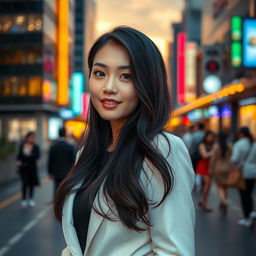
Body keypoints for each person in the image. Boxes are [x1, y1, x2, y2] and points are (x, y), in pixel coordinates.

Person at [54, 26, 195, 256]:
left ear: (147, 85)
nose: (109, 88)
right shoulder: (86, 155)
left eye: (126, 76)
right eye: (100, 73)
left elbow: (175, 252)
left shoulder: (162, 151)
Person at [231, 127, 256, 227]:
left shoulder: (239, 144)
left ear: (241, 134)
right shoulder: (253, 144)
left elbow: (235, 158)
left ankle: (247, 218)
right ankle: (251, 212)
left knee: (244, 195)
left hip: (243, 172)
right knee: (249, 193)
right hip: (253, 171)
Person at [48, 127, 76, 196]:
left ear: (58, 134)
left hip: (56, 172)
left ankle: (57, 204)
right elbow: (73, 161)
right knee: (66, 190)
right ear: (65, 134)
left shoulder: (53, 147)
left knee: (57, 189)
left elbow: (50, 160)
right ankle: (64, 205)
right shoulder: (70, 147)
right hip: (67, 172)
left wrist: (50, 173)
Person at [209, 131, 232, 213]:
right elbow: (231, 157)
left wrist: (210, 169)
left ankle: (223, 201)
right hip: (227, 167)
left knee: (219, 186)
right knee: (225, 186)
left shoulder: (216, 146)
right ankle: (223, 201)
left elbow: (213, 159)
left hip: (218, 168)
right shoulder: (229, 146)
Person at [16, 131, 40, 207]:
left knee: (31, 184)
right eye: (31, 137)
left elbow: (37, 156)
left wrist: (31, 154)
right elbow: (19, 156)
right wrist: (18, 161)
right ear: (27, 137)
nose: (32, 139)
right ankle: (23, 199)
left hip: (32, 168)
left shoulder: (36, 146)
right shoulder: (23, 145)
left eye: (34, 137)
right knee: (25, 183)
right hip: (23, 168)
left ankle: (31, 198)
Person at [196, 130, 215, 212]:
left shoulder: (213, 145)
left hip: (211, 166)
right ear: (206, 137)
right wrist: (214, 151)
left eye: (212, 137)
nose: (211, 138)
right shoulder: (202, 145)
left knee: (208, 185)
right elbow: (204, 156)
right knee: (207, 184)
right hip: (203, 165)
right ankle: (203, 202)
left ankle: (202, 200)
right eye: (209, 136)